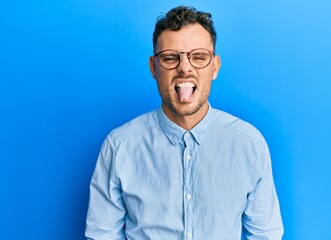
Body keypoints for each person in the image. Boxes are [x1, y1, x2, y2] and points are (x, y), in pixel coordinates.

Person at [85, 5, 284, 240]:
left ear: (215, 67)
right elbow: (102, 236)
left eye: (198, 57)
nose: (185, 68)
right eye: (170, 58)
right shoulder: (119, 147)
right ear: (153, 67)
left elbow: (265, 235)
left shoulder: (249, 144)